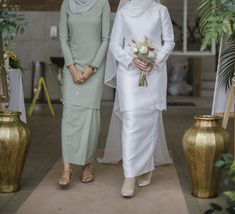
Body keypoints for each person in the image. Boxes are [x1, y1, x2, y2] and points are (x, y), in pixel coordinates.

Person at [99, 0, 175, 197]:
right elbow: (115, 44)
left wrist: (154, 60)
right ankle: (130, 175)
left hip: (154, 72)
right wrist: (130, 60)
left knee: (150, 120)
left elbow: (169, 41)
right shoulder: (124, 12)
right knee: (131, 119)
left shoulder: (161, 11)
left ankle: (147, 166)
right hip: (129, 72)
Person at [58, 0, 110, 187]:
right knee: (69, 116)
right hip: (71, 66)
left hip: (95, 68)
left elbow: (106, 38)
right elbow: (63, 38)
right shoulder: (67, 4)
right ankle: (66, 168)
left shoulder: (103, 4)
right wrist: (72, 68)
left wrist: (91, 68)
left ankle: (87, 166)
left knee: (90, 118)